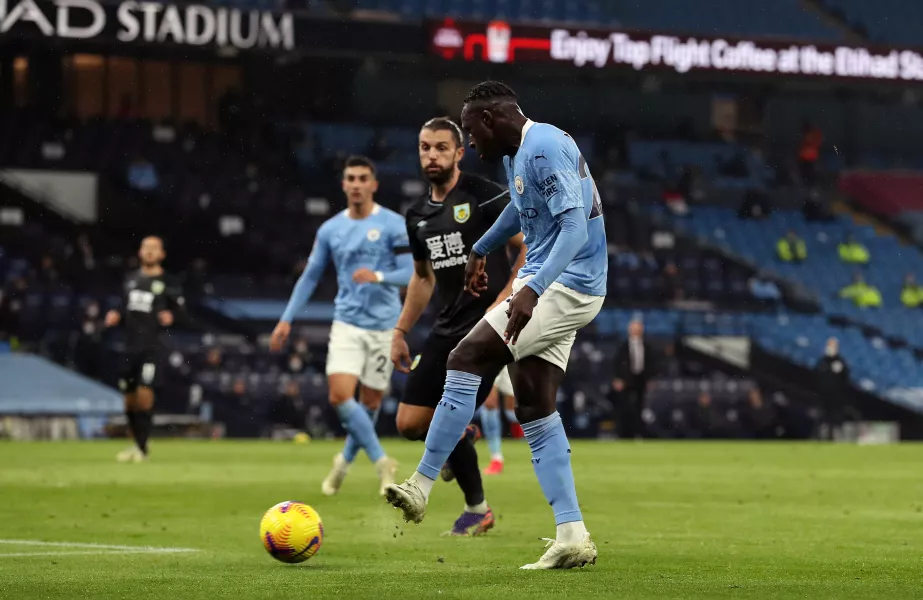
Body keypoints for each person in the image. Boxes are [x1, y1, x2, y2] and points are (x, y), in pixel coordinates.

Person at [385, 81, 606, 570]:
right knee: (533, 406)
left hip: (567, 284)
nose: (470, 144)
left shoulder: (545, 145)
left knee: (465, 356)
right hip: (560, 283)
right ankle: (571, 535)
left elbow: (574, 229)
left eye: (469, 132)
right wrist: (481, 249)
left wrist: (530, 290)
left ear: (489, 120)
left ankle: (420, 485)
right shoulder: (518, 153)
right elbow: (519, 209)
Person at [391, 117, 526, 536]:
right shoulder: (416, 214)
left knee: (452, 415)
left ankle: (476, 507)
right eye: (424, 147)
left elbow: (525, 246)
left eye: (440, 147)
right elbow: (423, 277)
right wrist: (400, 331)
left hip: (488, 329)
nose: (431, 155)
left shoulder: (485, 195)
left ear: (458, 152)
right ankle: (457, 448)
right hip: (446, 326)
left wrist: (505, 299)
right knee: (409, 424)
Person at [270, 156, 412, 497]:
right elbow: (310, 276)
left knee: (371, 403)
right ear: (344, 184)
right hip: (347, 322)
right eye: (351, 178)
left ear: (374, 184)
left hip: (384, 327)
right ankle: (382, 462)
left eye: (364, 178)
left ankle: (342, 464)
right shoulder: (331, 229)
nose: (357, 184)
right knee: (339, 395)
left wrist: (377, 276)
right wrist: (287, 317)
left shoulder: (393, 224)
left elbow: (410, 273)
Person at [105, 236, 184, 462]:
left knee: (144, 395)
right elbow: (123, 309)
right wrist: (115, 316)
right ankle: (138, 443)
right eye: (146, 248)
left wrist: (173, 316)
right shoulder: (130, 280)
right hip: (129, 347)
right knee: (129, 401)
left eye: (154, 248)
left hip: (153, 347)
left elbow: (182, 313)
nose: (149, 252)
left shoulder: (169, 282)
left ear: (162, 254)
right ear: (140, 252)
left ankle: (142, 448)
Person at [612, 319, 659, 439]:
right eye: (633, 328)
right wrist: (617, 378)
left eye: (638, 328)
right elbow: (616, 363)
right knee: (625, 408)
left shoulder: (647, 346)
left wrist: (650, 379)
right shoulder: (622, 346)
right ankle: (624, 435)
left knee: (640, 408)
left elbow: (651, 364)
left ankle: (639, 433)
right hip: (625, 380)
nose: (635, 331)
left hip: (641, 380)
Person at [479, 368, 522, 477]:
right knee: (489, 405)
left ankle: (548, 434)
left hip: (508, 360)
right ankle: (496, 459)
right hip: (489, 359)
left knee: (511, 413)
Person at [815, 337, 852, 441]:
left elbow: (845, 380)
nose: (830, 348)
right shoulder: (822, 361)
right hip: (823, 399)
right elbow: (817, 376)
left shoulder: (841, 363)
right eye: (829, 346)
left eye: (832, 346)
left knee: (835, 424)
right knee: (822, 422)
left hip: (836, 401)